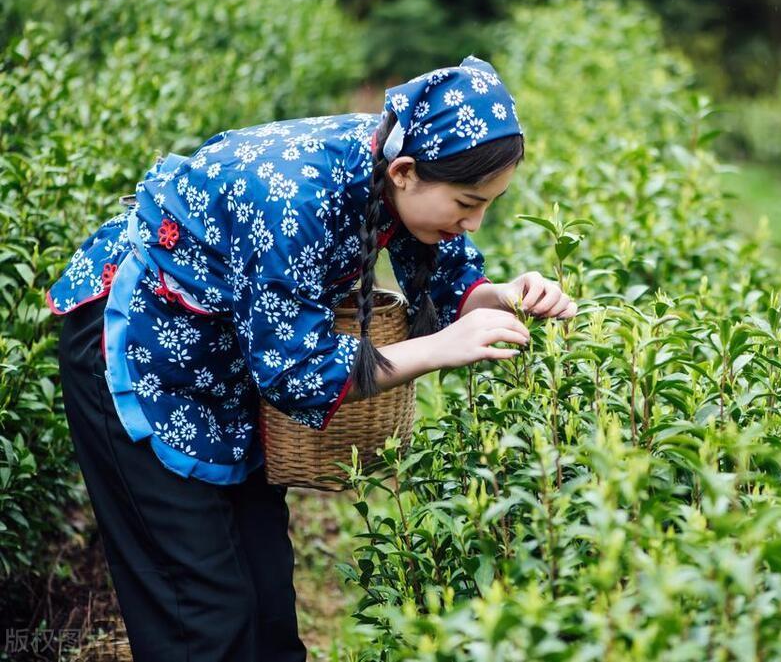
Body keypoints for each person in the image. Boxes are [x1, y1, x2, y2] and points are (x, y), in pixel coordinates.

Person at [46, 55, 578, 660]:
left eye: (489, 203)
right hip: (139, 344)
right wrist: (435, 349)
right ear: (404, 172)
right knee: (200, 610)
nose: (475, 221)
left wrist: (503, 299)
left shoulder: (392, 167)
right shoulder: (294, 197)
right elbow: (301, 374)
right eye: (467, 202)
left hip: (225, 355)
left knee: (266, 598)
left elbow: (455, 281)